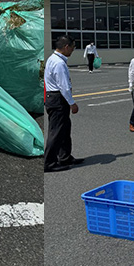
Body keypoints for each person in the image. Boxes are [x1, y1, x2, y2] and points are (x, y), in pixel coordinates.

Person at [43, 35, 82, 172]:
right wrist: (72, 103)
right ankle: (49, 163)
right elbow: (63, 86)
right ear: (66, 47)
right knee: (56, 131)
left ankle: (65, 157)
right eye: (72, 47)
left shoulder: (53, 59)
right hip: (58, 98)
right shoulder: (59, 63)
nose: (72, 50)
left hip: (54, 97)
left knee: (64, 129)